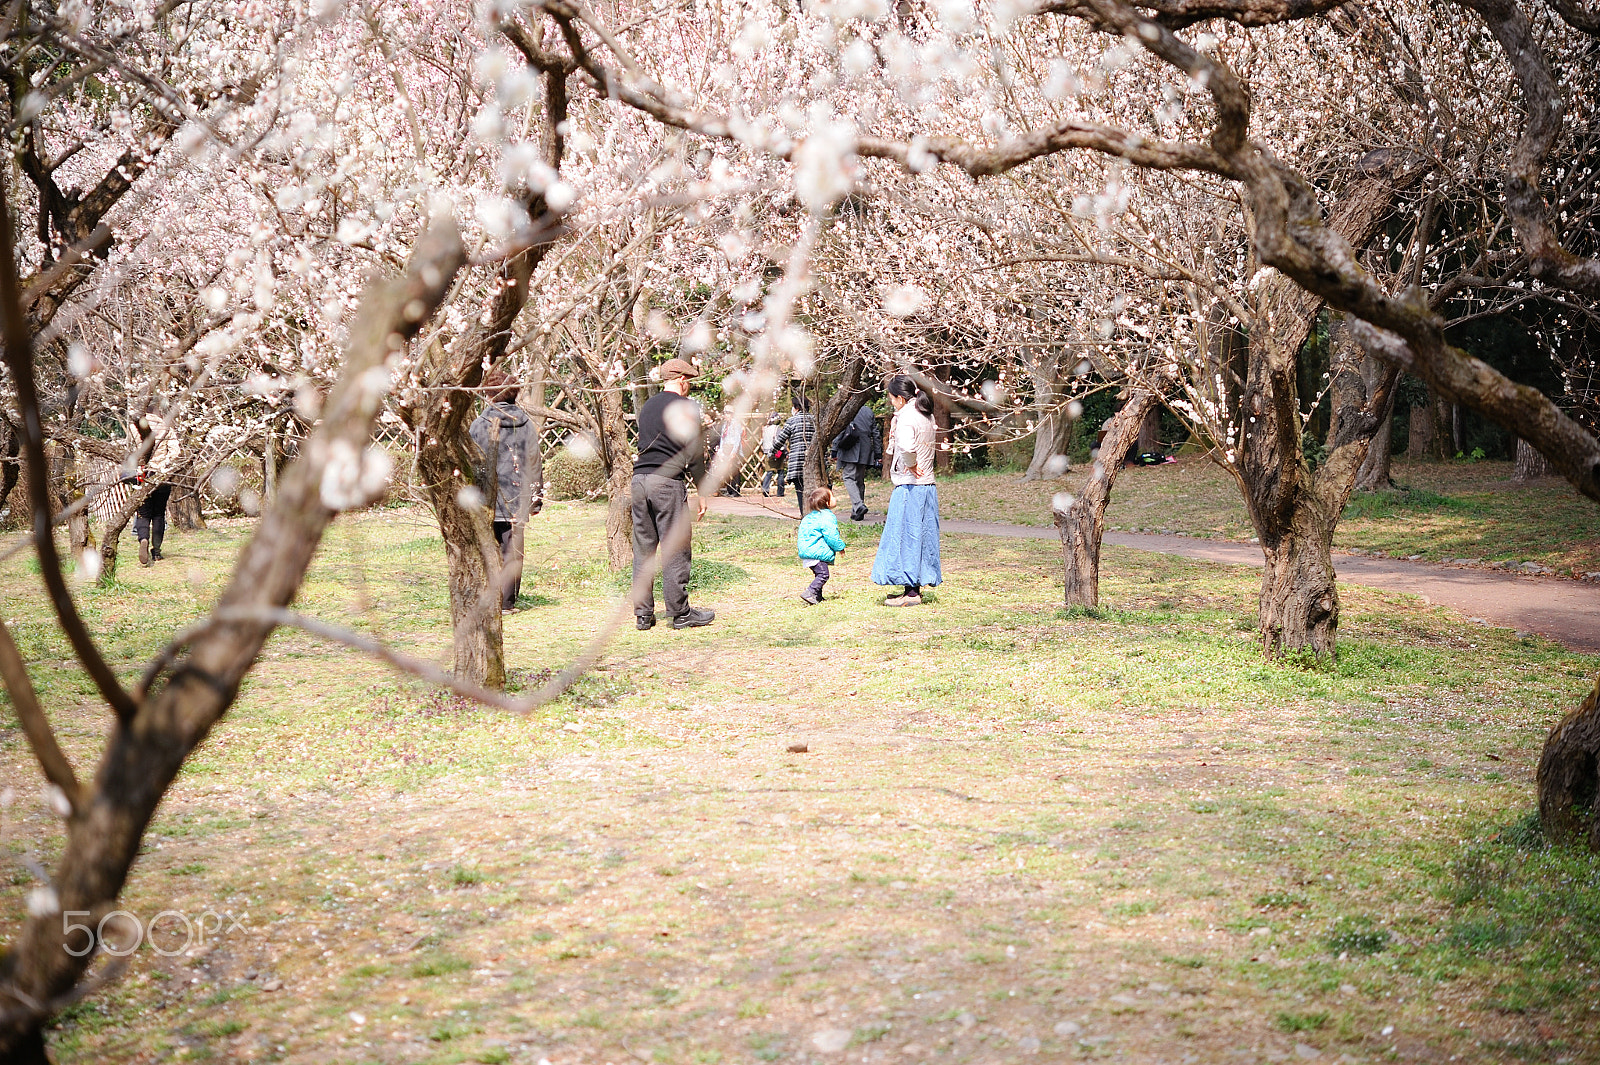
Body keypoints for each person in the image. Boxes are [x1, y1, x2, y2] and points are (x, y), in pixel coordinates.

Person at [631, 358, 715, 630]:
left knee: (644, 550)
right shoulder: (686, 406)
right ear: (681, 379)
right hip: (666, 481)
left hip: (639, 480)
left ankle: (643, 615)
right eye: (688, 380)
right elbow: (693, 452)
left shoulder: (647, 407)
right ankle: (680, 613)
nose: (689, 385)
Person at [469, 369, 540, 613]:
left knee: (488, 547)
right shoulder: (526, 424)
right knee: (513, 550)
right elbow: (534, 460)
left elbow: (471, 461)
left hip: (485, 497)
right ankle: (507, 602)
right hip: (517, 496)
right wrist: (535, 497)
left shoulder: (479, 425)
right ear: (514, 393)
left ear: (489, 395)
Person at [870, 376, 941, 606]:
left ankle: (911, 593)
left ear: (900, 398)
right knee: (920, 537)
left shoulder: (907, 417)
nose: (891, 403)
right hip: (926, 486)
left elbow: (906, 446)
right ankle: (913, 589)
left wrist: (910, 464)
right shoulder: (925, 413)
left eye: (892, 399)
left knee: (906, 537)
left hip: (911, 486)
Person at [796, 486, 847, 605]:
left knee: (818, 574)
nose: (835, 498)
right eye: (832, 496)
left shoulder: (809, 517)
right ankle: (810, 592)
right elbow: (831, 536)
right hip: (816, 553)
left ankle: (817, 597)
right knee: (823, 575)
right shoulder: (827, 517)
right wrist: (840, 547)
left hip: (807, 551)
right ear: (827, 502)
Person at [831, 401, 878, 522]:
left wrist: (834, 449)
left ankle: (858, 505)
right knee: (859, 480)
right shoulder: (868, 411)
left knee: (849, 477)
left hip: (850, 447)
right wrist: (877, 453)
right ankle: (857, 512)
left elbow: (840, 429)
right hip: (865, 449)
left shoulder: (847, 409)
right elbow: (875, 433)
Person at [771, 400, 817, 508]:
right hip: (814, 460)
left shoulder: (792, 421)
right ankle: (814, 514)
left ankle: (804, 515)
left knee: (800, 490)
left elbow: (780, 440)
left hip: (798, 462)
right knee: (814, 491)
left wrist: (772, 451)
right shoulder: (815, 420)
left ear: (796, 408)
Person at [714, 408, 745, 497]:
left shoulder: (736, 424)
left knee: (734, 470)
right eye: (725, 413)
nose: (725, 415)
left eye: (727, 413)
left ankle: (736, 490)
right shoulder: (725, 425)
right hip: (726, 448)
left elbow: (737, 439)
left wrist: (734, 452)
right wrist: (721, 451)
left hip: (733, 448)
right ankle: (729, 490)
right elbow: (722, 438)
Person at [760, 412, 785, 497]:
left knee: (769, 472)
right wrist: (785, 451)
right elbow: (780, 440)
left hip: (767, 452)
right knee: (780, 472)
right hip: (777, 452)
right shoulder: (777, 428)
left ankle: (765, 489)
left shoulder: (765, 429)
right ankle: (780, 492)